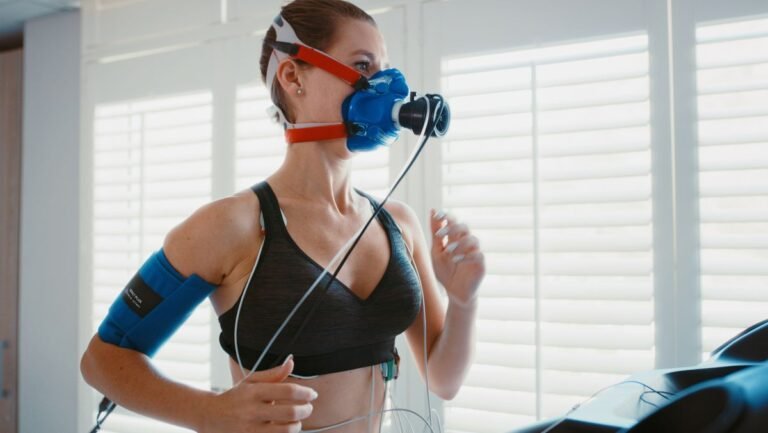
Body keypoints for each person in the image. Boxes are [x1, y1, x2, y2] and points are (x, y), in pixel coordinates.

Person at [80, 1, 485, 432]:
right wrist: (210, 413)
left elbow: (444, 380)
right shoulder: (231, 225)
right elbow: (102, 361)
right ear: (293, 76)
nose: (386, 86)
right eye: (363, 65)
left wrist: (464, 299)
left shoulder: (399, 226)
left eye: (384, 67)